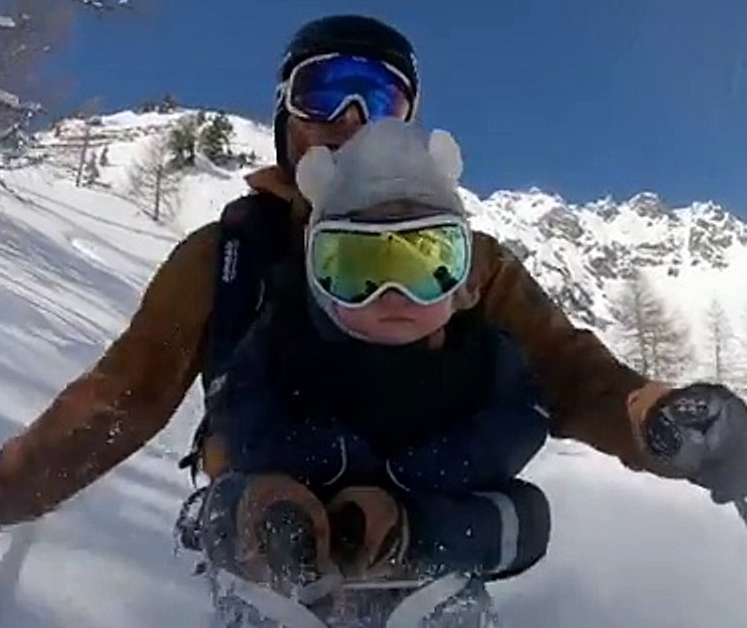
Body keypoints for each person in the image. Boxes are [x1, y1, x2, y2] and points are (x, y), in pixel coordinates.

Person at [0, 14, 747, 583]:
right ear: (285, 117)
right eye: (321, 90)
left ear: (406, 118)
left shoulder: (467, 261)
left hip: (432, 522)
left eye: (374, 94)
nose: (345, 115)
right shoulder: (230, 255)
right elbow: (121, 398)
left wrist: (660, 422)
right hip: (267, 524)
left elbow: (569, 373)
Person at [192, 118, 552, 618]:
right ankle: (271, 582)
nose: (393, 294)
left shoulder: (482, 354)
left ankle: (420, 574)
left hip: (424, 533)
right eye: (357, 269)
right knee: (227, 506)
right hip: (298, 511)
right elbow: (241, 407)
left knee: (527, 518)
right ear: (319, 278)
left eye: (427, 267)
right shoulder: (288, 336)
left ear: (462, 280)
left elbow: (518, 425)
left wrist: (409, 499)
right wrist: (314, 471)